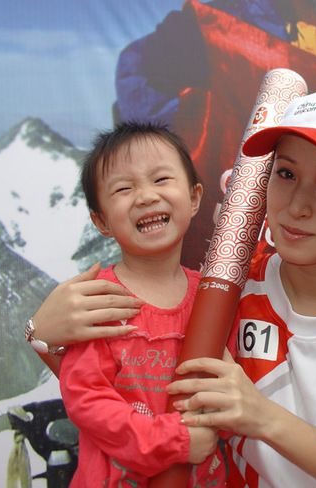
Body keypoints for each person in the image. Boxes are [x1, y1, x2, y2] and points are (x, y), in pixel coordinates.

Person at [31, 85, 316, 487]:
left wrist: (261, 416)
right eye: (286, 173)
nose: (298, 205)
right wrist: (41, 336)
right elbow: (127, 383)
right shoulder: (225, 293)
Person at [29, 121, 227, 487]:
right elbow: (88, 403)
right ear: (101, 220)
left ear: (195, 197)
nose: (146, 196)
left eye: (161, 179)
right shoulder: (97, 302)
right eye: (124, 188)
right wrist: (175, 440)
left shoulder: (213, 296)